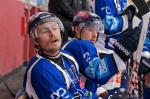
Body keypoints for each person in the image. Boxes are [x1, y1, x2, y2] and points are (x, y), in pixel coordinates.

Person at [20, 12, 86, 99]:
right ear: (35, 40)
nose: (52, 34)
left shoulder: (67, 56)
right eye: (45, 31)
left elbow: (79, 90)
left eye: (55, 28)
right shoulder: (41, 71)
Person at [62, 11, 127, 98]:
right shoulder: (80, 45)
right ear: (77, 30)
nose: (94, 35)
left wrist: (103, 94)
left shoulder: (71, 45)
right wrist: (124, 51)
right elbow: (98, 74)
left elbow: (88, 82)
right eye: (90, 30)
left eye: (96, 31)